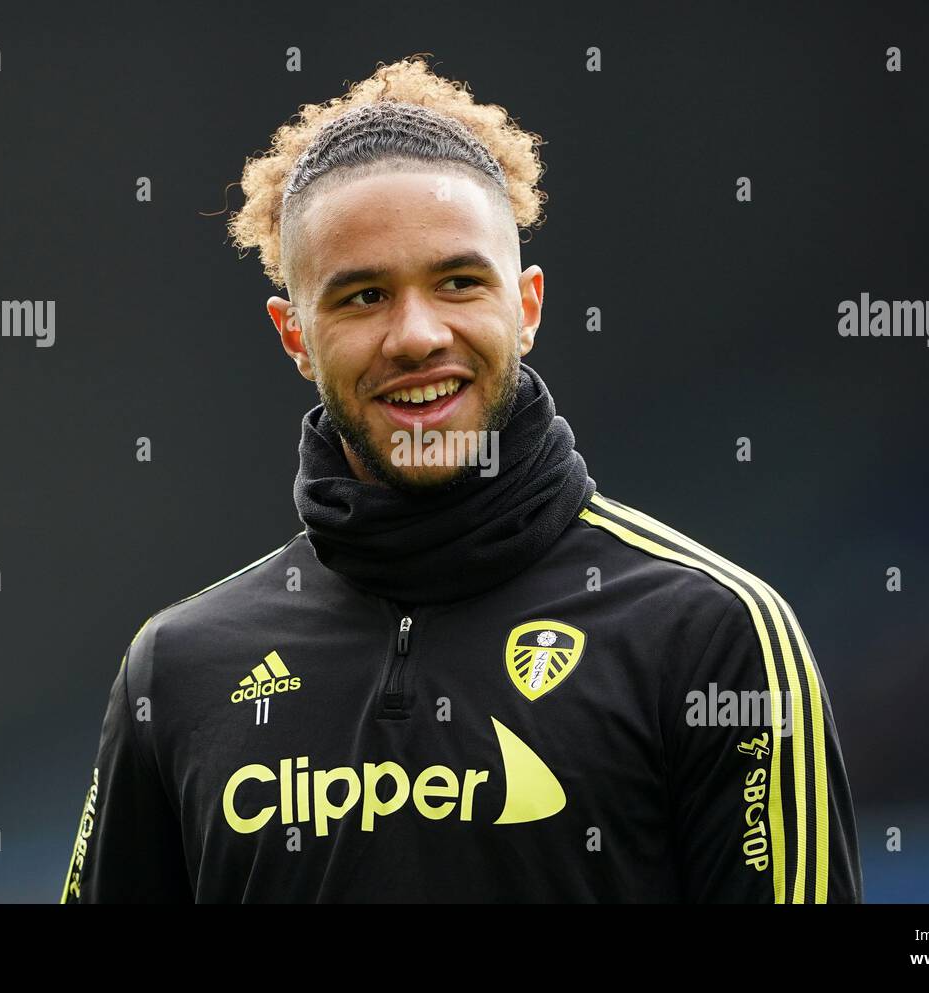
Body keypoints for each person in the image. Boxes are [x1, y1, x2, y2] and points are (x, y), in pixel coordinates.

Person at [60, 55, 862, 903]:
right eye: (363, 296)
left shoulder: (712, 637)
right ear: (295, 336)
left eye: (458, 282)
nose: (415, 335)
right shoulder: (178, 669)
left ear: (527, 305)